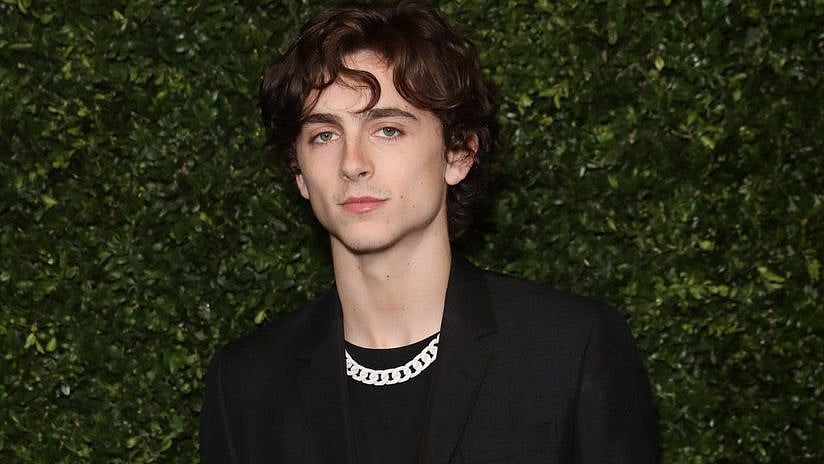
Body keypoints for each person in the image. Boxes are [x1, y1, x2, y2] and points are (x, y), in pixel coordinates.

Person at [200, 1, 658, 463]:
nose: (352, 163)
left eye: (388, 130)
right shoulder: (245, 385)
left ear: (457, 154)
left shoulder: (570, 350)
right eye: (324, 135)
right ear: (300, 173)